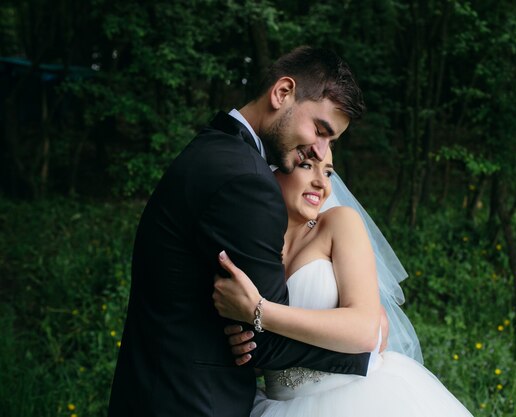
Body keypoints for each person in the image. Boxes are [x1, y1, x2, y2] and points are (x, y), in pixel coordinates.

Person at [107, 46, 370, 417]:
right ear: (282, 93)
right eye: (320, 129)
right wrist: (363, 350)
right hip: (193, 401)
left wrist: (258, 314)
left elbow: (256, 324)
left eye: (331, 143)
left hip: (153, 388)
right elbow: (265, 342)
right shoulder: (248, 180)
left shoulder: (211, 145)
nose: (320, 149)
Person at [212, 150, 475, 416]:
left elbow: (364, 331)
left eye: (327, 172)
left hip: (357, 398)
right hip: (278, 404)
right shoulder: (249, 248)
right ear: (271, 171)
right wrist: (246, 348)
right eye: (306, 165)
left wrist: (259, 312)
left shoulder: (338, 223)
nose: (322, 183)